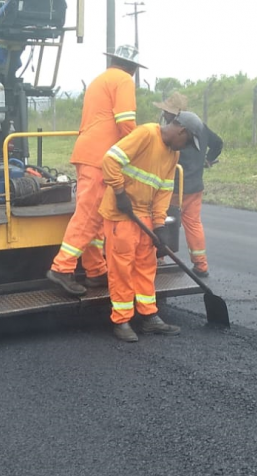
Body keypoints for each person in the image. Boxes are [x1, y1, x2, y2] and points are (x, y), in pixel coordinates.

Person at [46, 44, 144, 296]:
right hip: (101, 157)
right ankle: (62, 267)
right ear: (132, 68)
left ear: (112, 60)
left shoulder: (99, 80)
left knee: (97, 216)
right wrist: (139, 150)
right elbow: (126, 123)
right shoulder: (123, 80)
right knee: (89, 215)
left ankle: (96, 270)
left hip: (88, 153)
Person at [99, 111, 203, 342]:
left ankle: (148, 316)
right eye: (186, 141)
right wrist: (119, 192)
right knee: (122, 269)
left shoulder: (172, 155)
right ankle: (122, 320)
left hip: (144, 215)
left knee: (147, 266)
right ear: (181, 131)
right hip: (121, 214)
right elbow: (110, 160)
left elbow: (164, 191)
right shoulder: (146, 133)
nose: (184, 147)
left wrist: (159, 226)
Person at [153, 92, 224, 277]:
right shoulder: (200, 127)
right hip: (194, 186)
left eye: (167, 112)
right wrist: (208, 159)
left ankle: (158, 258)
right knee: (193, 223)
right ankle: (201, 265)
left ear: (175, 115)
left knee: (163, 220)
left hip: (173, 187)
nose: (164, 115)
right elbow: (218, 143)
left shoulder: (173, 132)